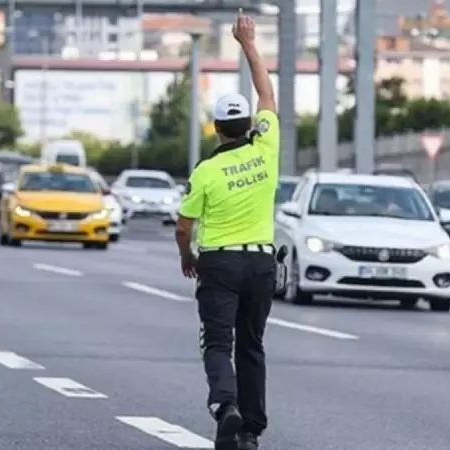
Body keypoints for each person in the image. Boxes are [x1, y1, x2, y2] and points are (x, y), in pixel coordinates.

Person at [175, 10, 278, 450]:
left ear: (216, 129)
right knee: (251, 344)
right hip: (261, 262)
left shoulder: (207, 170)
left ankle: (225, 406)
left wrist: (188, 258)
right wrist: (248, 43)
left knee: (218, 342)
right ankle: (251, 430)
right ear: (248, 124)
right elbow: (266, 92)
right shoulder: (268, 146)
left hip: (218, 263)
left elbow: (184, 227)